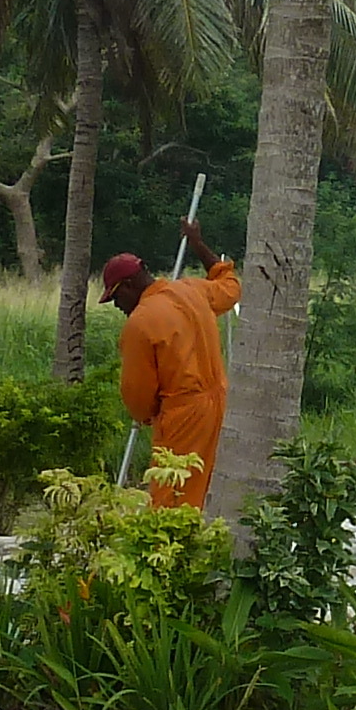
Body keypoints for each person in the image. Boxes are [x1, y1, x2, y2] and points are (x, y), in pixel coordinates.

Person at [106, 216, 238, 514]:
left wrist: (147, 414)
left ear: (127, 286)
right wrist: (198, 244)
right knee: (210, 486)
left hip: (183, 415)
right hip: (221, 404)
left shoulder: (140, 323)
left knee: (173, 492)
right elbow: (229, 285)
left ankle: (176, 553)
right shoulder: (193, 290)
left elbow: (138, 398)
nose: (117, 306)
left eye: (115, 298)